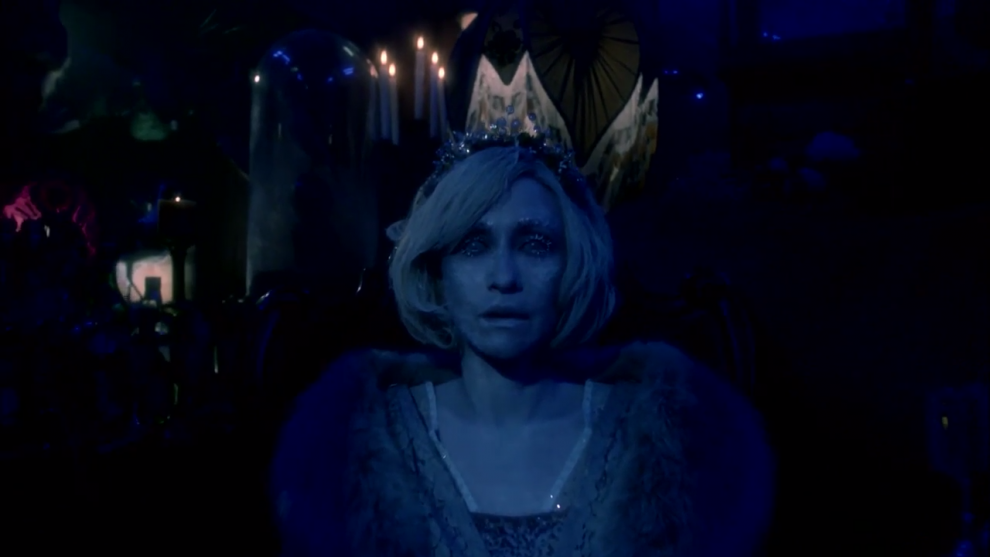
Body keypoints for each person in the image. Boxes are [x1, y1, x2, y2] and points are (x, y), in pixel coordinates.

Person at [270, 122, 775, 557]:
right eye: (473, 245)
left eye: (535, 245)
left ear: (572, 263)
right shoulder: (358, 445)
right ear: (437, 271)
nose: (504, 277)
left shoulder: (663, 442)